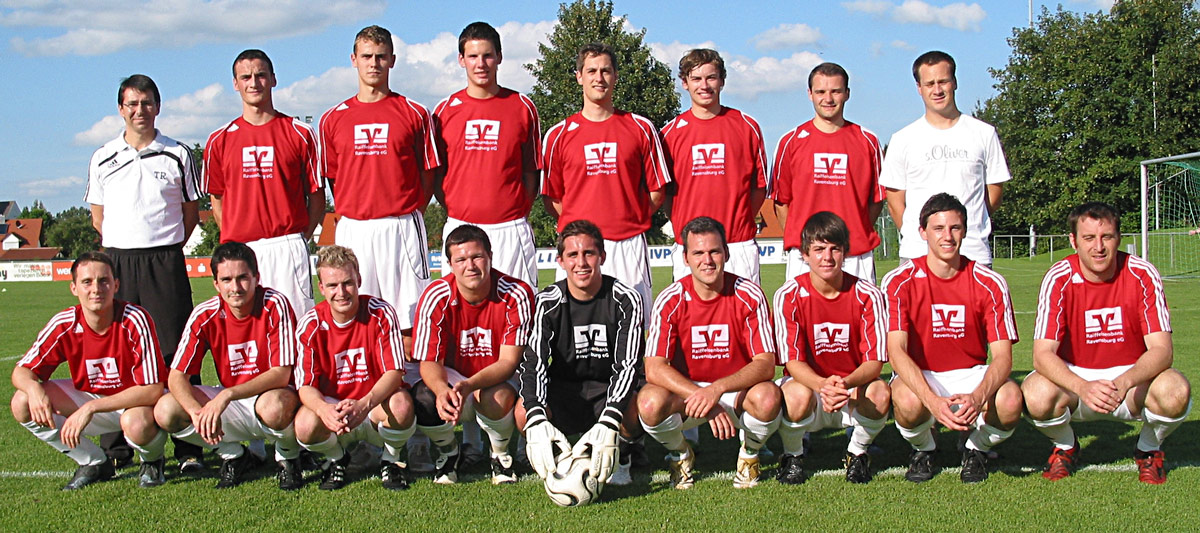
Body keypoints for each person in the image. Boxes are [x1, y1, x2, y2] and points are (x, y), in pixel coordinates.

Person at [1023, 202, 1191, 484]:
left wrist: (1124, 382)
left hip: (1131, 383)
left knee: (1175, 391)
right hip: (1076, 383)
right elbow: (1042, 355)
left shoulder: (1142, 274)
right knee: (1035, 393)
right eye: (1089, 238)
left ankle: (1148, 449)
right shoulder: (1058, 277)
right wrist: (1082, 386)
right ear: (1073, 241)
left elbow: (1162, 351)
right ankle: (1065, 446)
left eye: (1107, 237)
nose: (1098, 247)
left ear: (1119, 238)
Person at [85, 74, 203, 471]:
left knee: (177, 352)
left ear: (158, 106)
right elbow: (98, 218)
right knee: (117, 352)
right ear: (121, 109)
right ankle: (116, 448)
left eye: (147, 102)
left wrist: (164, 249)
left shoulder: (178, 154)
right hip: (118, 262)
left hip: (164, 262)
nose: (140, 110)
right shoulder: (102, 156)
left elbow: (190, 214)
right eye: (132, 104)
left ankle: (189, 448)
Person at [881, 193, 1022, 483]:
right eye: (938, 228)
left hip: (971, 372)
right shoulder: (899, 281)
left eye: (955, 228)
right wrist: (932, 402)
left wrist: (978, 397)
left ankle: (975, 448)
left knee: (1010, 400)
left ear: (965, 231)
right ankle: (925, 448)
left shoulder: (989, 282)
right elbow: (896, 351)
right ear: (923, 232)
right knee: (907, 400)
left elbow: (1003, 357)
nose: (947, 236)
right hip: (922, 373)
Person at [638, 216, 781, 489]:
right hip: (688, 394)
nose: (707, 260)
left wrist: (716, 390)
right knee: (649, 403)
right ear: (685, 258)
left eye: (714, 251)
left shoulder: (749, 295)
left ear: (726, 253)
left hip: (734, 391)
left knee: (768, 397)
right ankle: (681, 454)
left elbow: (765, 364)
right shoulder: (670, 299)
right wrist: (702, 396)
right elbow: (654, 368)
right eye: (698, 253)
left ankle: (749, 455)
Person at [319, 25, 438, 347]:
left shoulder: (415, 113)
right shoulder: (332, 119)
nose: (374, 63)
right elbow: (333, 177)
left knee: (410, 319)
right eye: (367, 56)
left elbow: (427, 173)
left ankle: (412, 378)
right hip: (354, 228)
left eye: (381, 57)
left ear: (392, 60)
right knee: (355, 315)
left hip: (401, 226)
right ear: (353, 59)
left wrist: (408, 209)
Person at [152, 242, 303, 490]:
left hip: (272, 396)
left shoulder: (274, 304)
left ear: (256, 278)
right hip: (232, 402)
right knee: (166, 410)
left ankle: (288, 457)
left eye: (243, 278)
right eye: (226, 280)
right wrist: (196, 413)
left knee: (275, 405)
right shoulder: (205, 314)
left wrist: (227, 394)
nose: (235, 287)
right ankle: (233, 455)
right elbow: (177, 377)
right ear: (216, 284)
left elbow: (281, 373)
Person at [12, 252, 168, 490]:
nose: (96, 289)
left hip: (133, 404)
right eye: (87, 282)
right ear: (74, 288)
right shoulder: (65, 323)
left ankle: (152, 460)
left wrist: (91, 407)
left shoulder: (134, 319)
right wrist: (34, 389)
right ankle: (94, 461)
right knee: (21, 401)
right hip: (92, 398)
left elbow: (153, 389)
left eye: (103, 281)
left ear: (116, 285)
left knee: (136, 424)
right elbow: (21, 371)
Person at [541, 43, 672, 319]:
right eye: (591, 71)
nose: (598, 78)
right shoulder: (558, 135)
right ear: (579, 76)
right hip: (578, 249)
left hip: (628, 246)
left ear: (615, 76)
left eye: (605, 71)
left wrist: (629, 218)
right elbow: (552, 198)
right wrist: (580, 228)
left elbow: (657, 190)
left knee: (633, 326)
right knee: (574, 328)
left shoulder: (641, 128)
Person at [517, 220, 645, 488]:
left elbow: (628, 366)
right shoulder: (547, 302)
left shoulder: (626, 299)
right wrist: (537, 416)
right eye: (573, 255)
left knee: (637, 405)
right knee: (522, 412)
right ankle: (559, 459)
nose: (581, 263)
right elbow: (534, 364)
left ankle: (623, 455)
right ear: (561, 261)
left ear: (602, 256)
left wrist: (611, 417)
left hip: (608, 388)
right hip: (566, 390)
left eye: (589, 253)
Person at [203, 49, 324, 319]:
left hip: (287, 245)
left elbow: (316, 197)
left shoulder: (300, 133)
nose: (254, 83)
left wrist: (298, 239)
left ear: (273, 79)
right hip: (240, 251)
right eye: (245, 77)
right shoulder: (219, 140)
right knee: (245, 329)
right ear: (235, 84)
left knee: (296, 326)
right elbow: (217, 201)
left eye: (260, 75)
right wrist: (236, 238)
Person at [772, 212, 889, 484]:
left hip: (850, 386)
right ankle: (793, 455)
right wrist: (823, 385)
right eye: (819, 249)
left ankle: (857, 453)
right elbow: (792, 361)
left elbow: (874, 362)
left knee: (880, 392)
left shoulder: (868, 295)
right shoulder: (788, 295)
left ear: (845, 252)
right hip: (811, 388)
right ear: (804, 254)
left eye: (835, 248)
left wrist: (843, 383)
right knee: (793, 395)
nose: (827, 257)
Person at [411, 225, 533, 485]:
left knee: (496, 396)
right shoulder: (436, 296)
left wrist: (470, 385)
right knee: (423, 397)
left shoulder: (516, 293)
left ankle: (500, 454)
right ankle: (449, 453)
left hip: (498, 377)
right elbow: (429, 362)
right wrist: (441, 390)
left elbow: (509, 362)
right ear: (449, 264)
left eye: (477, 257)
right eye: (461, 260)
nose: (470, 266)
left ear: (490, 256)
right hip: (457, 377)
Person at [293, 246, 418, 490]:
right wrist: (324, 410)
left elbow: (394, 372)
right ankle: (336, 459)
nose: (341, 293)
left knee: (401, 405)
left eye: (347, 283)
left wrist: (363, 405)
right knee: (305, 425)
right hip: (335, 409)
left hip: (373, 407)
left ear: (359, 280)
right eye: (332, 286)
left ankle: (391, 460)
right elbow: (305, 385)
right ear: (321, 288)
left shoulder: (380, 313)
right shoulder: (310, 324)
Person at [432, 21, 541, 289]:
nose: (480, 64)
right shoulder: (443, 112)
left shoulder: (522, 107)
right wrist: (459, 208)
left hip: (510, 229)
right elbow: (437, 177)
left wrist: (513, 210)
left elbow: (531, 173)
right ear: (461, 60)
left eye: (487, 55)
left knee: (521, 305)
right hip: (460, 229)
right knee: (459, 308)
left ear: (499, 57)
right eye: (473, 56)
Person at [879, 50, 1011, 266]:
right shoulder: (902, 139)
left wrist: (968, 225)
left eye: (943, 81)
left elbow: (994, 195)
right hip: (917, 255)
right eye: (929, 84)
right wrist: (921, 236)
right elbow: (895, 202)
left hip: (973, 254)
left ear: (954, 82)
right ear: (919, 88)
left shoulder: (984, 133)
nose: (937, 90)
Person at [660, 48, 768, 283]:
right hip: (690, 246)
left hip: (738, 244)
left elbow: (758, 188)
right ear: (684, 82)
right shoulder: (669, 134)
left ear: (722, 80)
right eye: (696, 78)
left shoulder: (747, 127)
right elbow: (665, 194)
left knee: (744, 307)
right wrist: (682, 223)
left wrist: (738, 219)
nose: (704, 85)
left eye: (711, 77)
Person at [771, 62, 884, 282]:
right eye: (821, 92)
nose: (828, 99)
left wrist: (854, 232)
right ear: (810, 94)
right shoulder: (790, 142)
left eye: (836, 91)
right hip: (805, 256)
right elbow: (781, 202)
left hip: (855, 254)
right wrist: (804, 243)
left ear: (847, 93)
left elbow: (876, 200)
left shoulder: (868, 141)